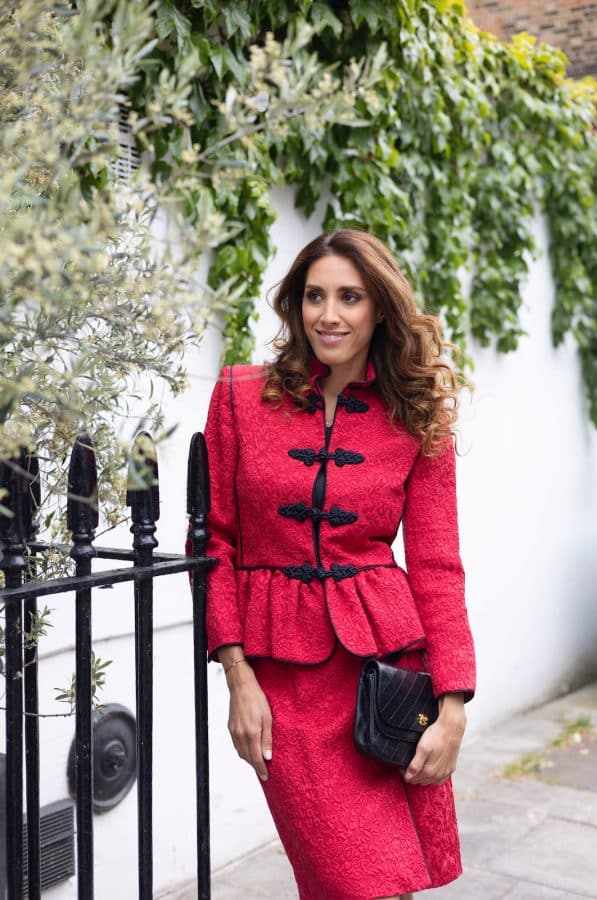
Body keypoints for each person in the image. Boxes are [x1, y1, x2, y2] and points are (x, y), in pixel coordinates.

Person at [194, 229, 476, 900]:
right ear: (295, 306)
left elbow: (437, 564)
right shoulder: (238, 398)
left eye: (349, 297)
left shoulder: (417, 414)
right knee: (353, 881)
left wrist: (454, 703)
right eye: (314, 296)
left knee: (384, 884)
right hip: (281, 684)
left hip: (385, 680)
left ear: (379, 307)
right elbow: (215, 544)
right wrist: (236, 675)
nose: (329, 315)